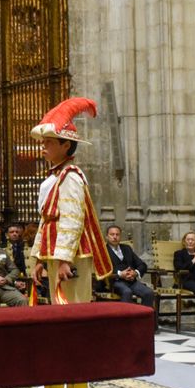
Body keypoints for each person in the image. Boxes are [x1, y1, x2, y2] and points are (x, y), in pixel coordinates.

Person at [29, 96, 112, 305]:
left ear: (65, 145)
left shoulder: (71, 176)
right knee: (59, 308)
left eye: (49, 142)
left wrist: (65, 259)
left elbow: (72, 220)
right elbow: (46, 221)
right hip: (56, 254)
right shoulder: (58, 177)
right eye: (43, 141)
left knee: (72, 308)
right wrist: (39, 259)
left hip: (72, 256)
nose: (43, 146)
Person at [102, 224, 156, 308]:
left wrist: (135, 273)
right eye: (112, 234)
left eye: (117, 234)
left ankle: (144, 316)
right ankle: (126, 316)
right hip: (114, 282)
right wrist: (120, 274)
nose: (115, 237)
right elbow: (103, 268)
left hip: (132, 282)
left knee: (148, 293)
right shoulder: (103, 250)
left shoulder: (127, 248)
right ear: (106, 236)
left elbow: (142, 265)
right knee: (127, 292)